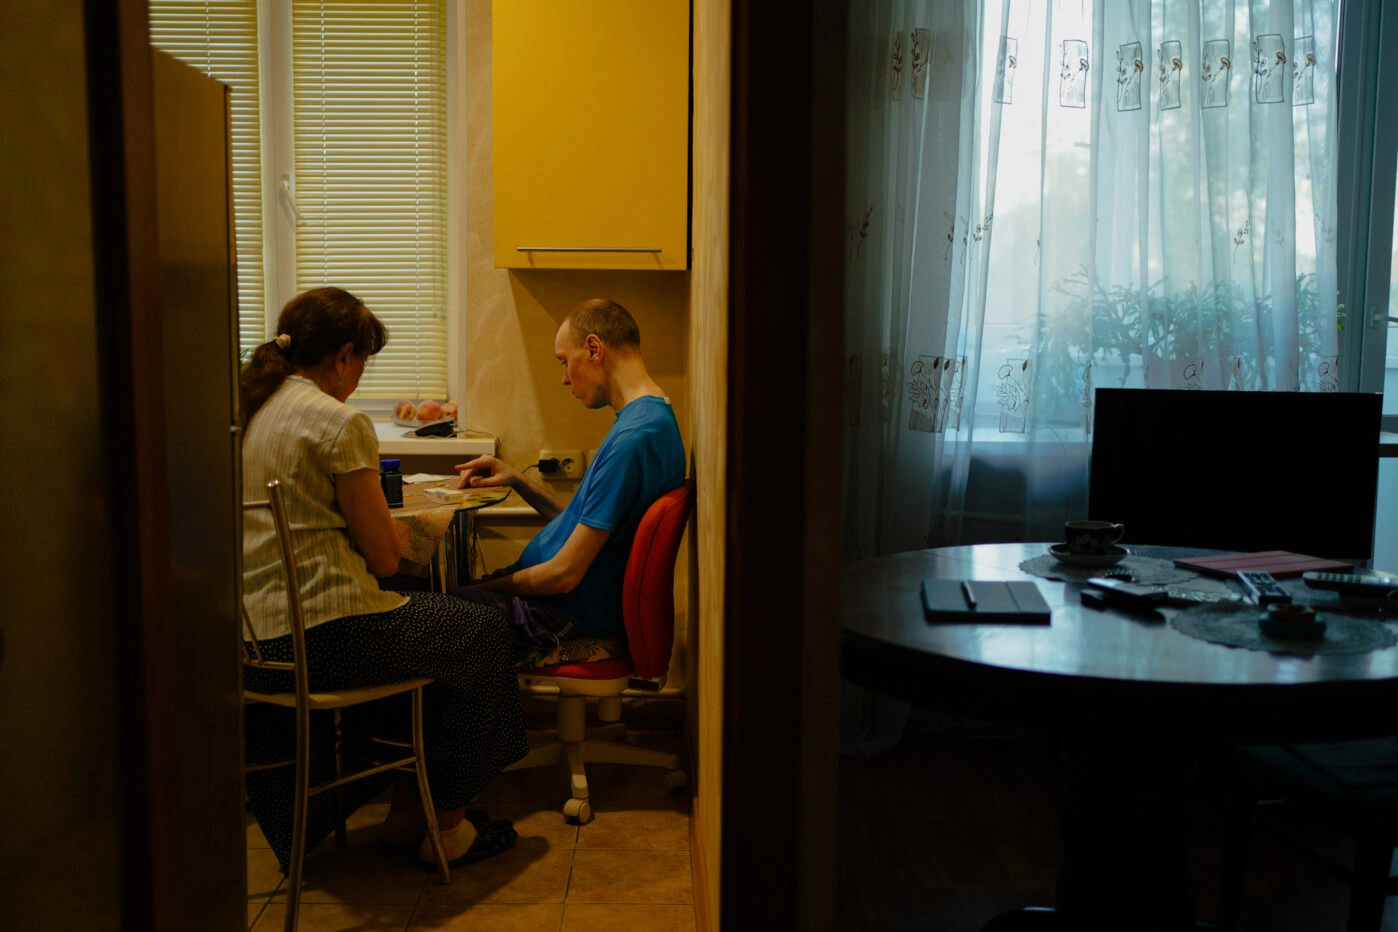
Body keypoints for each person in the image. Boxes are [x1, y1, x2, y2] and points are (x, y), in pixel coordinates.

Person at [240, 286, 526, 871]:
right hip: (327, 636)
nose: (359, 378)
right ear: (344, 355)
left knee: (427, 632)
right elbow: (385, 561)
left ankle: (406, 811)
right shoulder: (338, 422)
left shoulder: (254, 412)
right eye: (363, 362)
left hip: (257, 644)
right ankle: (449, 827)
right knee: (480, 630)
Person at [452, 298, 685, 644]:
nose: (564, 379)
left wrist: (479, 588)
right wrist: (517, 480)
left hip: (558, 615)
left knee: (417, 608)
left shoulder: (634, 439)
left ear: (593, 348)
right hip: (558, 605)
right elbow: (584, 527)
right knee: (423, 595)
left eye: (564, 361)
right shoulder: (649, 420)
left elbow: (564, 576)